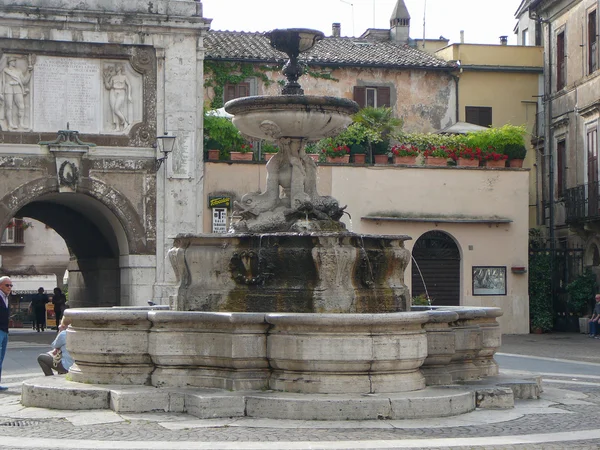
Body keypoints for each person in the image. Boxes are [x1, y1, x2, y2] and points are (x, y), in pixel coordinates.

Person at [1, 57, 33, 130]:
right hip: (8, 88)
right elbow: (1, 81)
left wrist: (29, 71)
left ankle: (21, 124)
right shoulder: (5, 70)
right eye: (13, 61)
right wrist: (0, 93)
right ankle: (10, 124)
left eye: (15, 61)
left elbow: (24, 81)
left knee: (21, 106)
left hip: (17, 88)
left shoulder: (18, 71)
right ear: (10, 62)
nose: (15, 62)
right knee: (9, 107)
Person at [103, 64, 131, 131]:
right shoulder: (113, 77)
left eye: (117, 66)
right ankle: (117, 127)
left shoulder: (124, 77)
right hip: (113, 92)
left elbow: (129, 85)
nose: (116, 68)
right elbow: (108, 87)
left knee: (116, 109)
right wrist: (106, 80)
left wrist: (129, 95)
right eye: (116, 67)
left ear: (120, 68)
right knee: (113, 110)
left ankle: (125, 122)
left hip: (121, 92)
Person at [0, 276, 13, 391]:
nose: (9, 287)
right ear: (0, 286)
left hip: (5, 331)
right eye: (7, 285)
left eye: (11, 285)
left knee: (1, 358)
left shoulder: (7, 297)